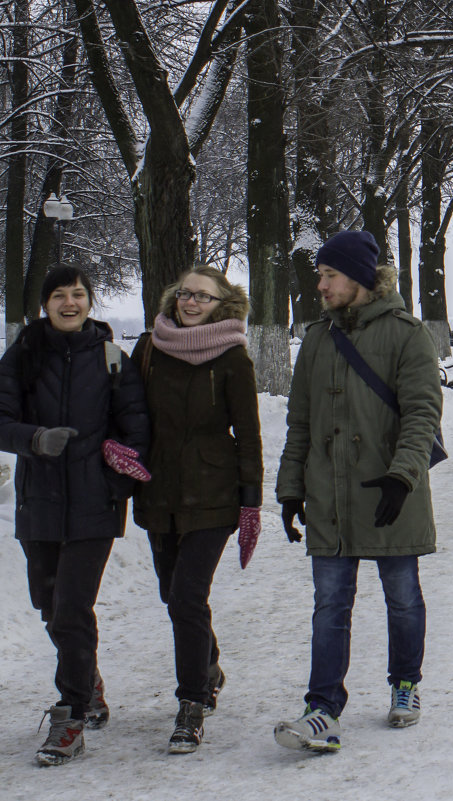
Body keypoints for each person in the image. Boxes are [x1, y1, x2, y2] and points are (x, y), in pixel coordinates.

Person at [274, 230, 442, 753]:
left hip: (391, 491)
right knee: (330, 604)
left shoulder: (406, 333)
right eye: (319, 275)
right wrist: (290, 487)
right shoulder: (318, 339)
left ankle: (405, 683)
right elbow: (299, 420)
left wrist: (403, 474)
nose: (319, 285)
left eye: (329, 275)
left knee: (402, 597)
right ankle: (322, 707)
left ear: (360, 278)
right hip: (330, 496)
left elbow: (422, 412)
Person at [0, 265, 150, 766]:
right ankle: (88, 679)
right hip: (38, 502)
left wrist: (116, 484)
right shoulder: (22, 355)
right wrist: (34, 439)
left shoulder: (112, 359)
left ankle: (72, 714)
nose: (70, 302)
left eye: (79, 294)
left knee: (70, 609)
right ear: (45, 304)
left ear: (91, 301)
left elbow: (138, 431)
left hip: (94, 506)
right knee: (48, 604)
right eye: (59, 295)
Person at [130, 265, 263, 754]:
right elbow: (126, 412)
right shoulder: (149, 348)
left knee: (187, 596)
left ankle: (192, 700)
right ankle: (207, 664)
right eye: (185, 294)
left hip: (213, 495)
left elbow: (248, 433)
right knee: (173, 595)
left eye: (202, 297)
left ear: (222, 305)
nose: (190, 303)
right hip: (158, 492)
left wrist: (251, 503)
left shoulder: (232, 357)